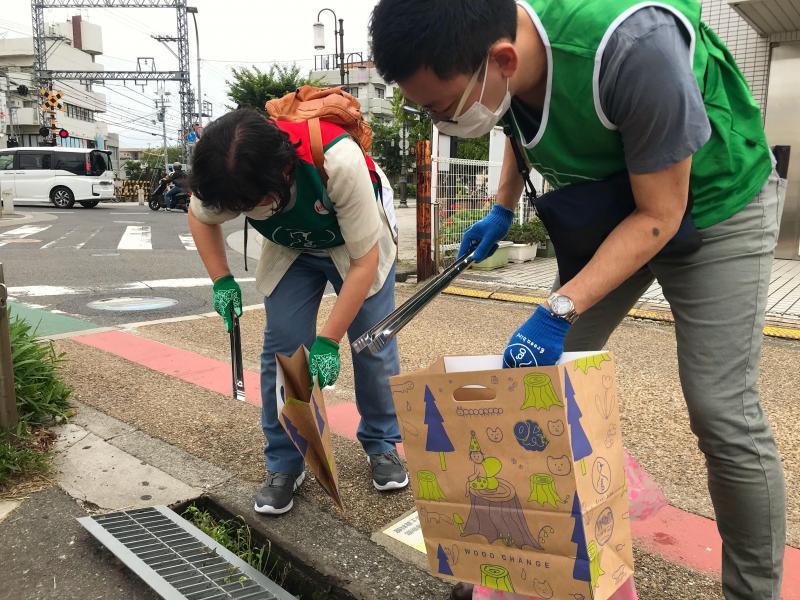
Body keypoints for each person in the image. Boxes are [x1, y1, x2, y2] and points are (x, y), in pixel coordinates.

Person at [370, 1, 786, 599]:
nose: (440, 121)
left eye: (442, 107)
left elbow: (661, 213)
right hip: (617, 204)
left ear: (502, 60)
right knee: (533, 383)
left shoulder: (635, 47)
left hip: (716, 203)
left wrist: (558, 308)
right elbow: (514, 118)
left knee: (721, 411)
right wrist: (502, 208)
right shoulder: (500, 53)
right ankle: (520, 562)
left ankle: (753, 592)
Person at [188, 108, 408, 516]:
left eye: (252, 204)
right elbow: (200, 216)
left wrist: (328, 340)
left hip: (356, 246)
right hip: (292, 248)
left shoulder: (338, 162)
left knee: (372, 345)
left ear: (284, 173)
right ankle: (285, 461)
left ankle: (381, 442)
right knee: (285, 350)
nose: (244, 211)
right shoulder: (228, 175)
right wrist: (221, 279)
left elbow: (364, 263)